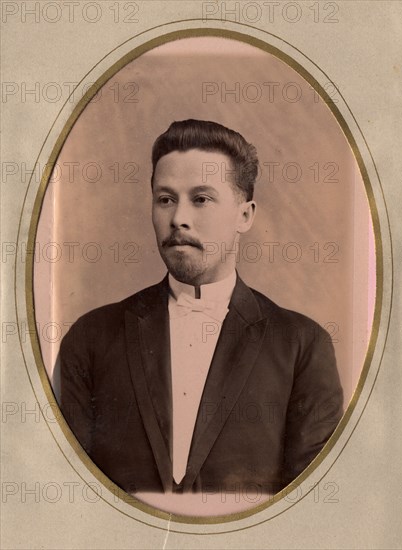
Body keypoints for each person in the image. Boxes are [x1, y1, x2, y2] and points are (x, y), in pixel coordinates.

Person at [58, 119, 343, 496]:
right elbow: (63, 489)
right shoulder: (91, 337)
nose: (178, 219)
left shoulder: (303, 346)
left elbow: (315, 505)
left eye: (201, 199)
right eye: (166, 199)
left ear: (245, 216)